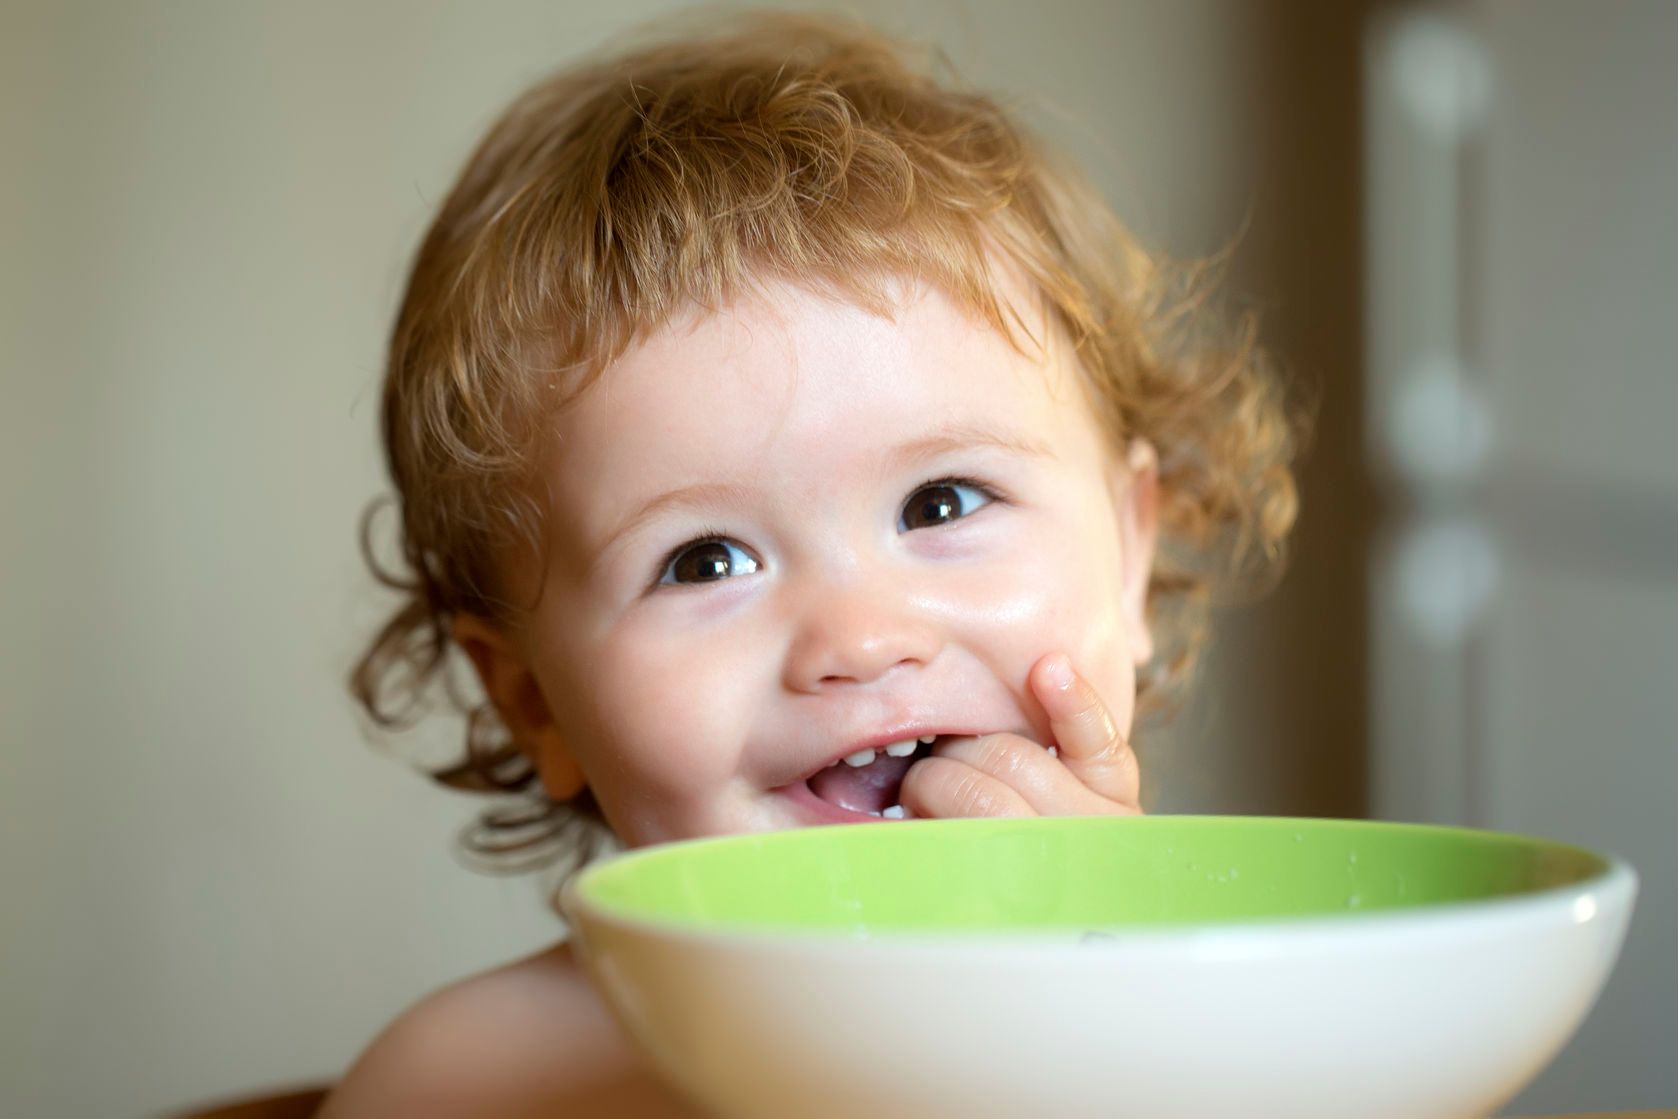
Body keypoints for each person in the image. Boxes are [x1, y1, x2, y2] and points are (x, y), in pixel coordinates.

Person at [321, 10, 1301, 1116]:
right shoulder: (467, 1085)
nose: (861, 637)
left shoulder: (1257, 1030)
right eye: (703, 560)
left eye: (941, 501)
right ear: (531, 701)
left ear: (1128, 558)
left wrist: (1107, 1019)